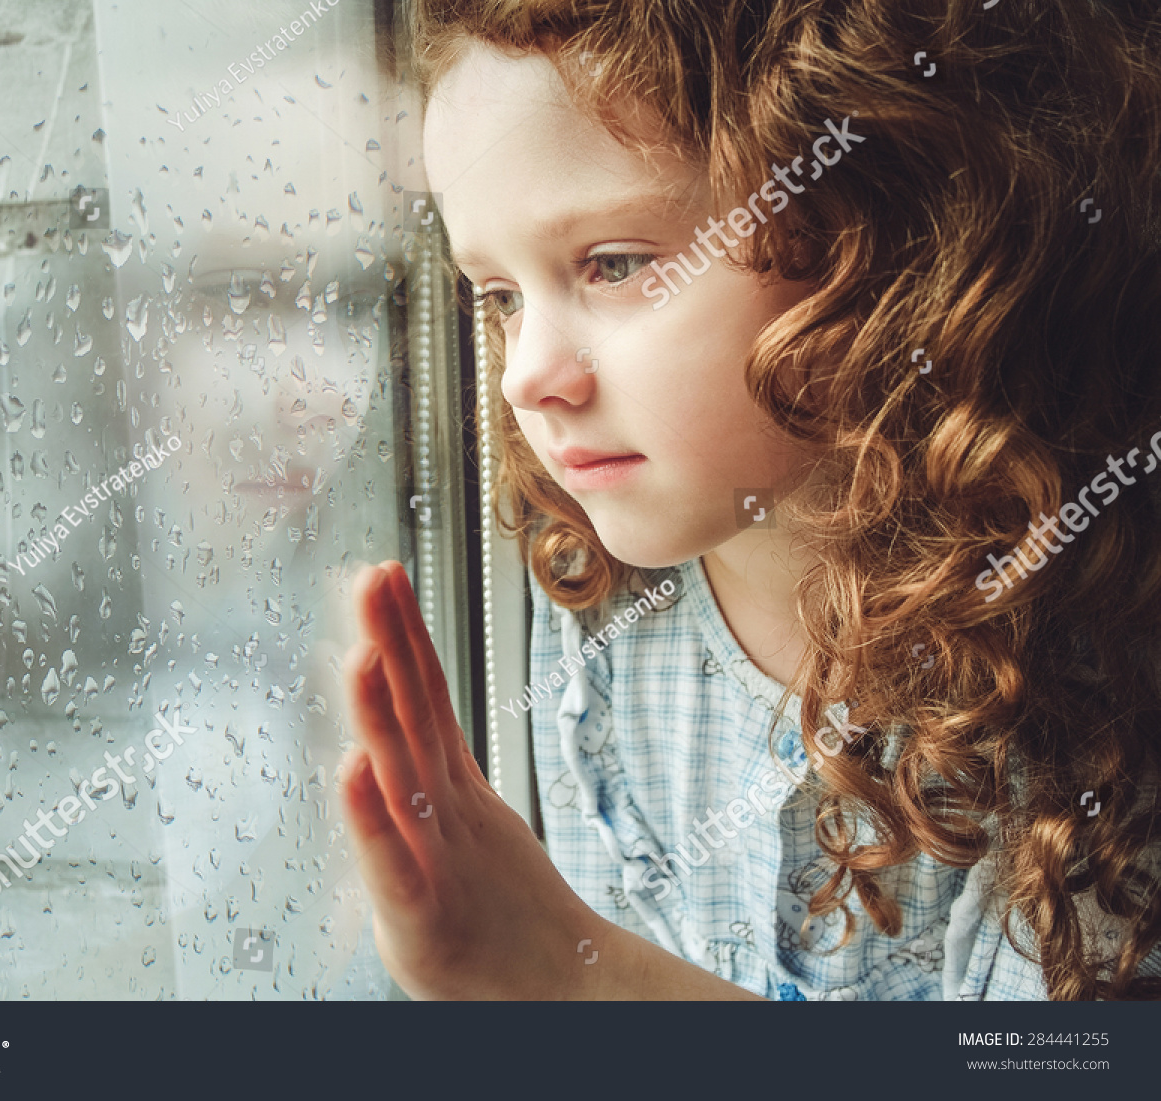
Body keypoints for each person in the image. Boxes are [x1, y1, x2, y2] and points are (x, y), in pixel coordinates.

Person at [338, 0, 1161, 999]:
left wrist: (568, 977)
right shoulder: (601, 597)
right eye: (501, 295)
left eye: (615, 264)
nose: (526, 376)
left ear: (882, 239)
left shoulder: (1074, 656)